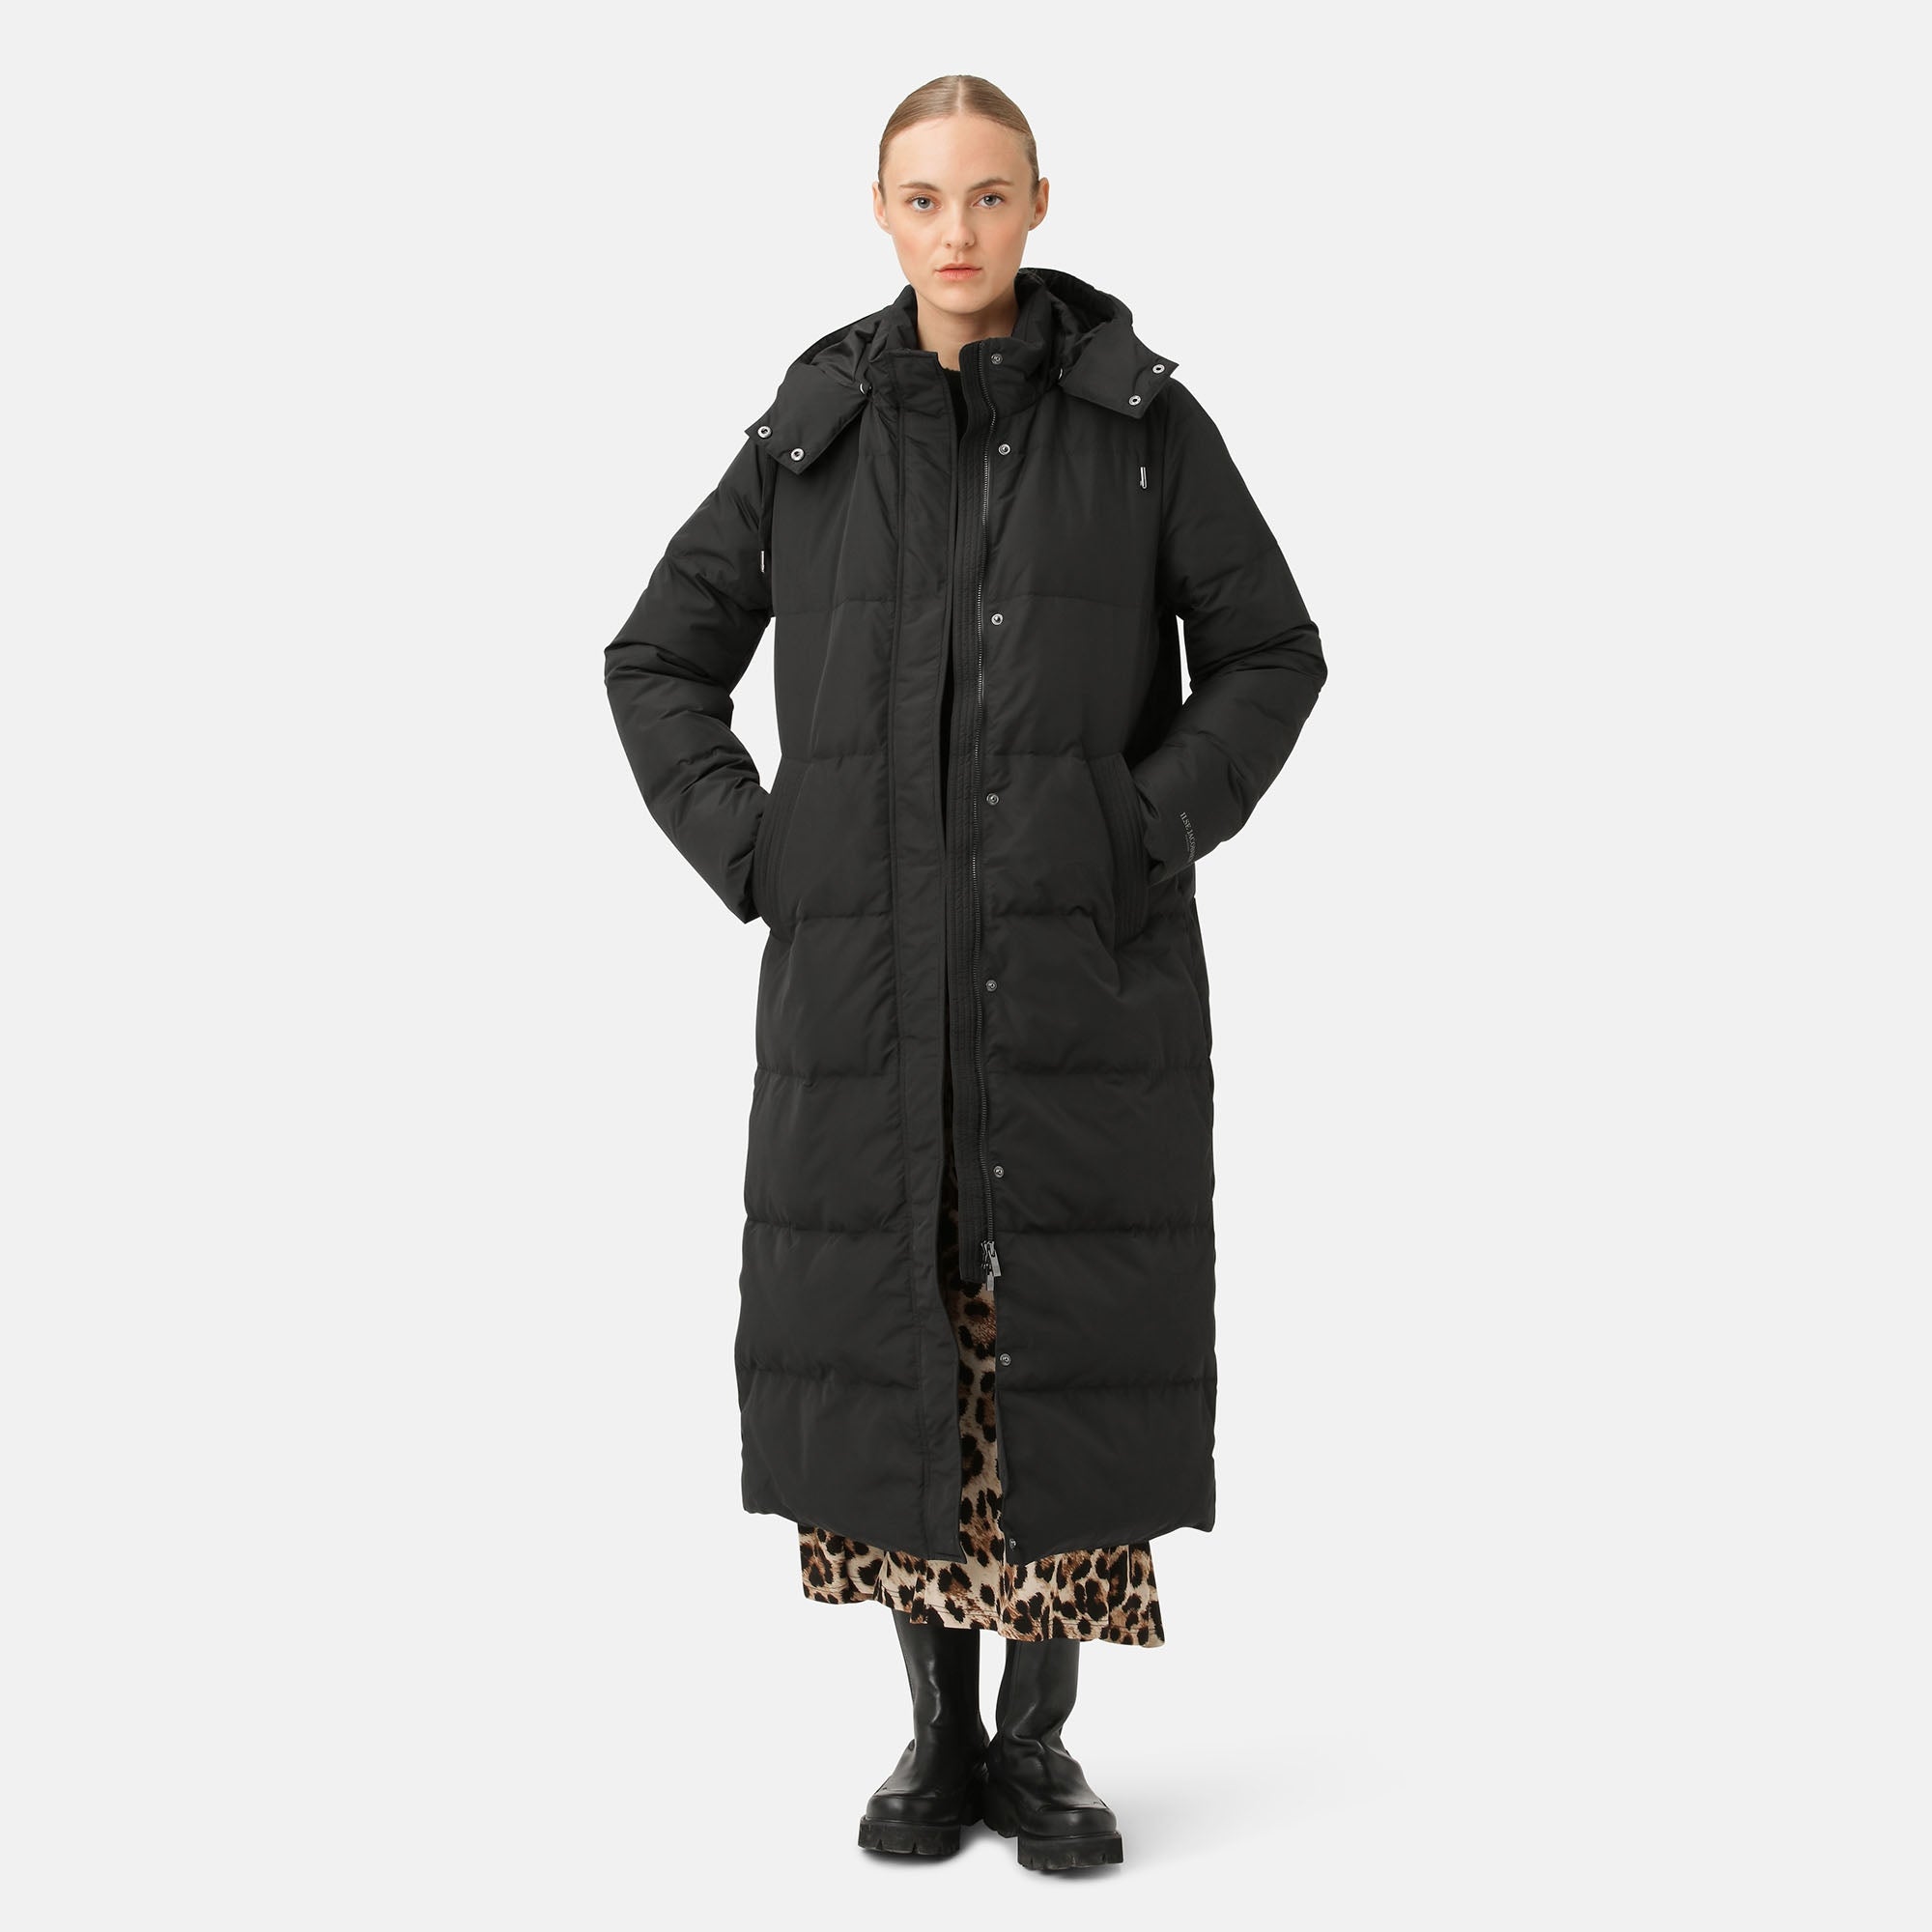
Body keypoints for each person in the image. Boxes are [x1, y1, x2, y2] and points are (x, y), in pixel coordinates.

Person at [603, 74, 1328, 1872]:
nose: (958, 230)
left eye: (989, 195)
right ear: (880, 210)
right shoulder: (816, 429)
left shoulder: (1139, 424)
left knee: (1059, 1330)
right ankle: (934, 1730)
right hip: (867, 986)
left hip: (1081, 975)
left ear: (1039, 205)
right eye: (924, 198)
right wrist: (764, 849)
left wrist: (1140, 826)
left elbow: (1271, 651)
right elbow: (657, 657)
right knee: (897, 1318)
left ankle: (1043, 1740)